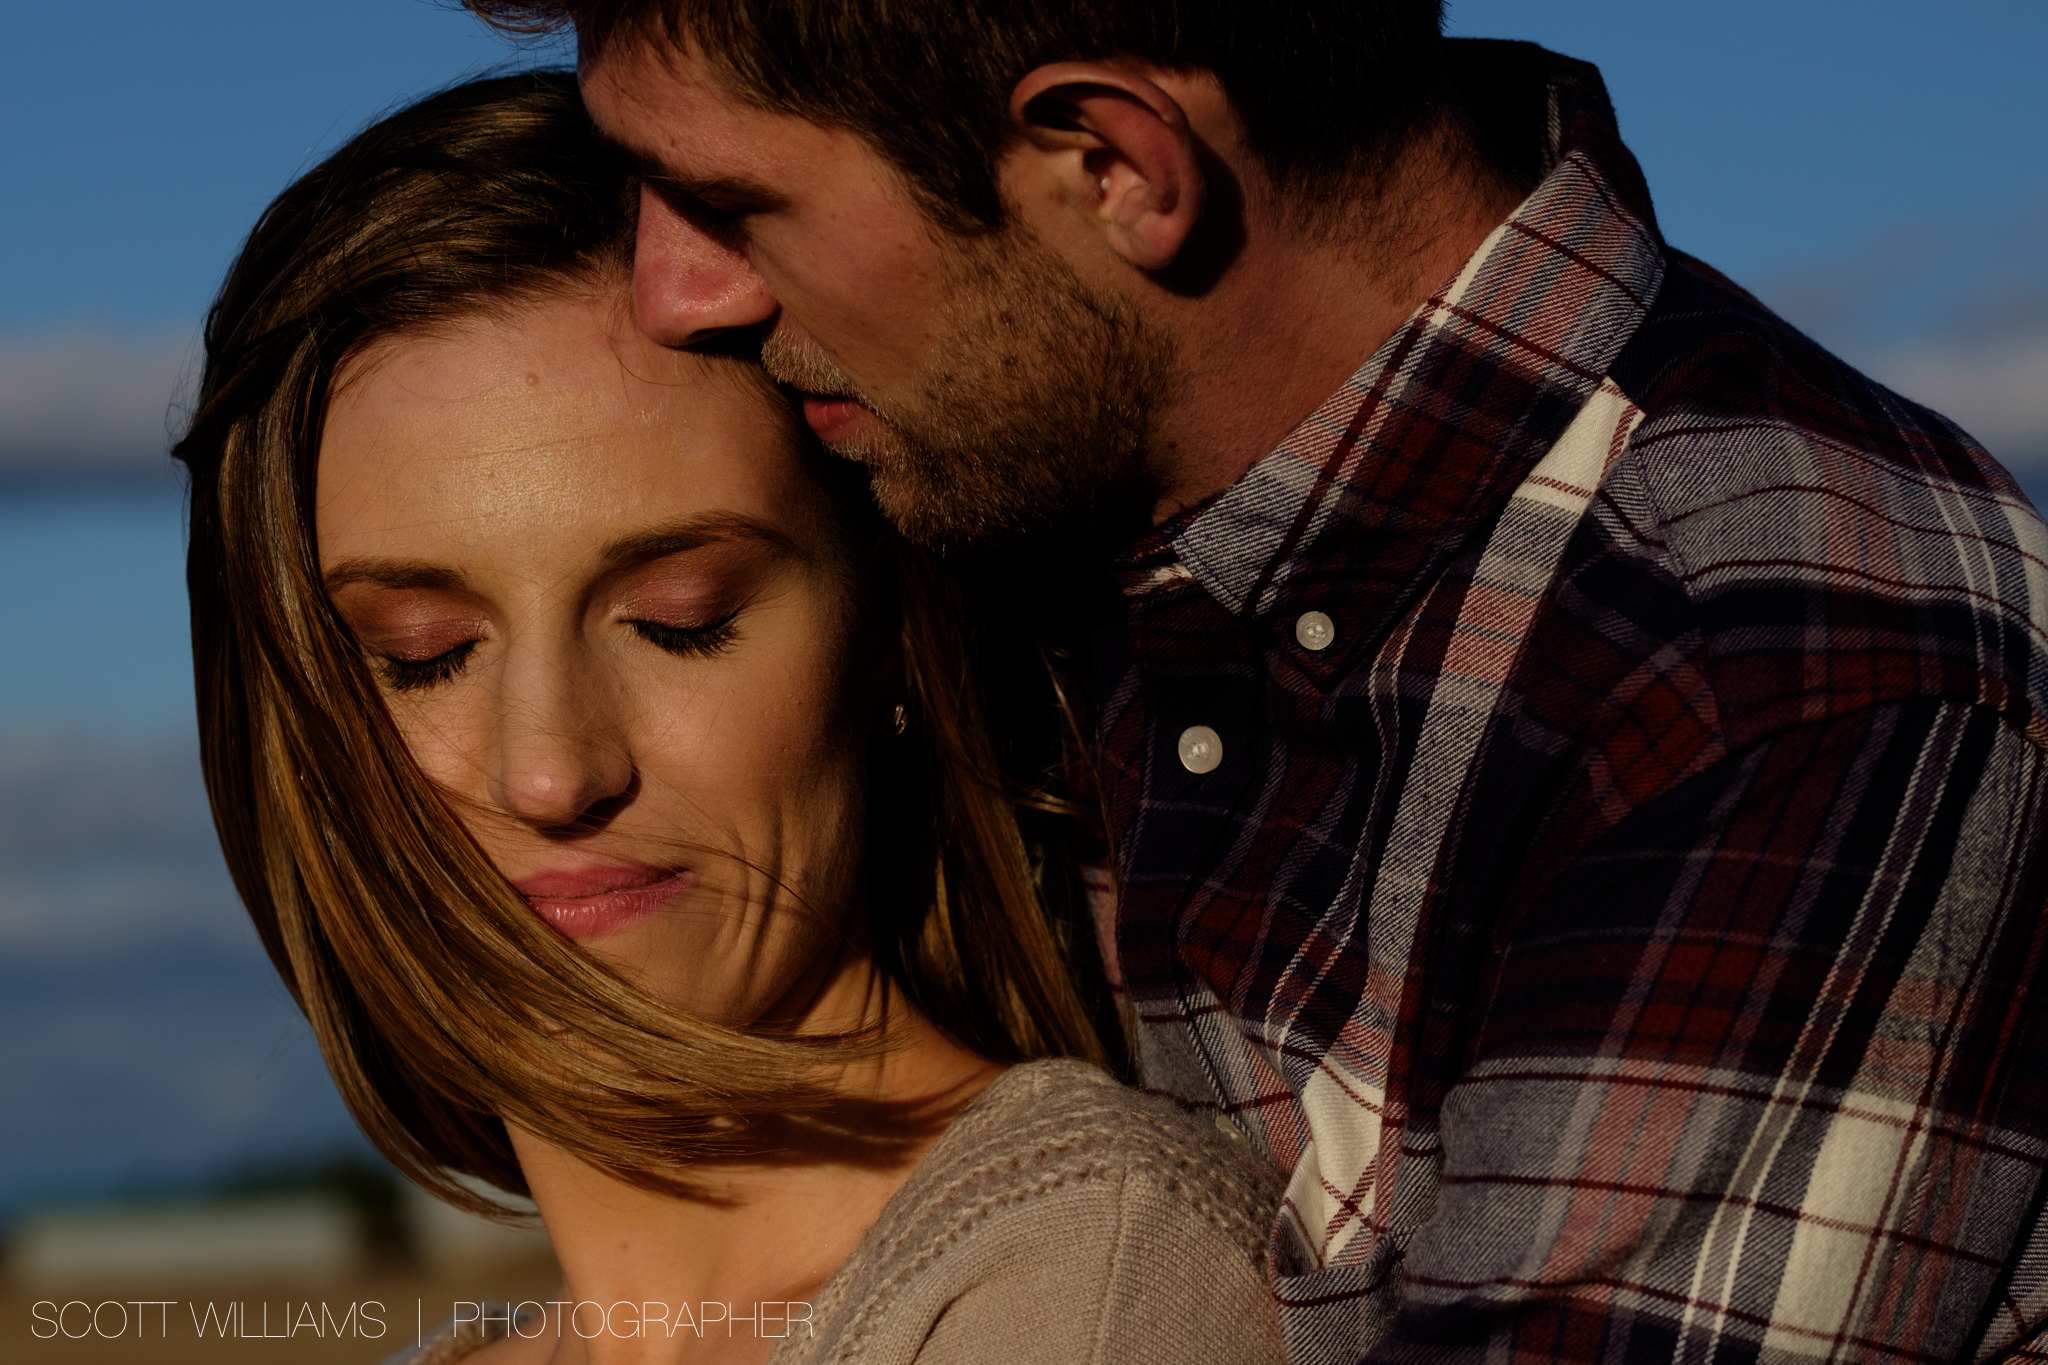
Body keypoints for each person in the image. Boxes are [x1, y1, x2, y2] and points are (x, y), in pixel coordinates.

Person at [462, 2, 2048, 1359]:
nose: (676, 292)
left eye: (731, 204)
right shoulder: (1076, 525)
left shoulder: (1771, 663)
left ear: (1116, 164)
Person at [171, 71, 1288, 1365]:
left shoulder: (1087, 1288)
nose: (548, 769)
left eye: (679, 619)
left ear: (890, 638)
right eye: (421, 655)